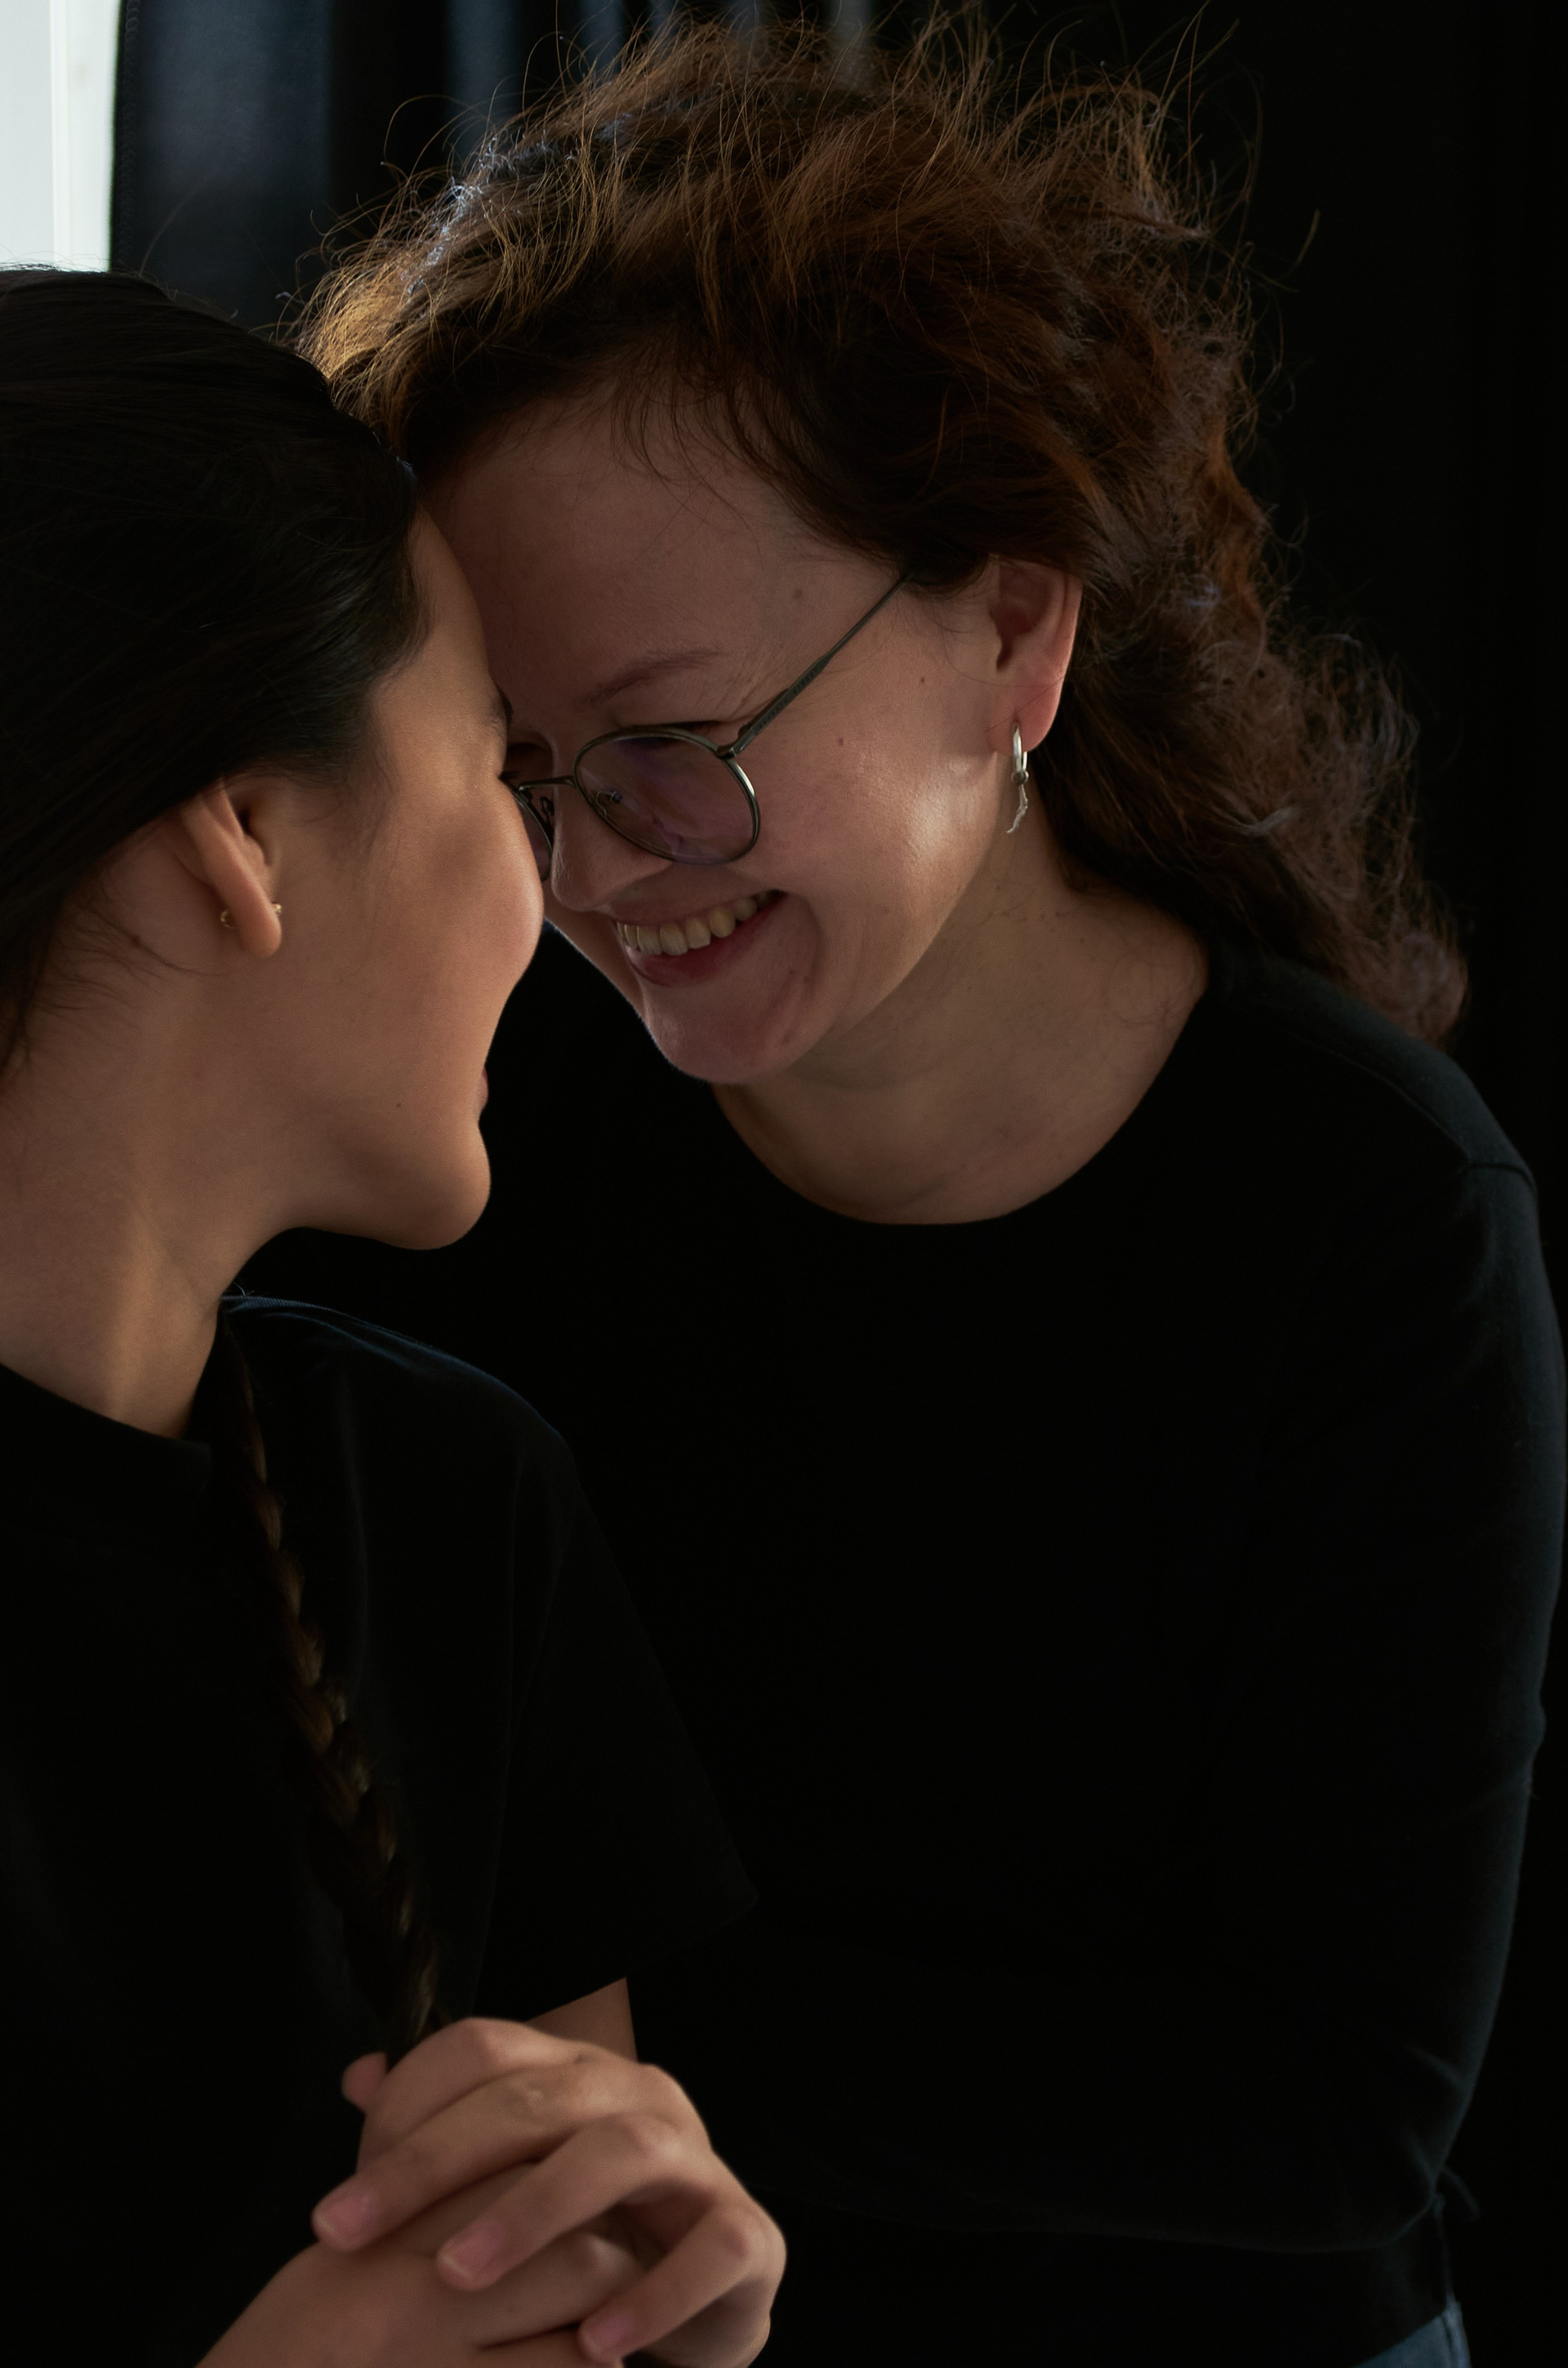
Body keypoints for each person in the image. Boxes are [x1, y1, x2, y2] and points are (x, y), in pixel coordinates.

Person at [249, 27, 1565, 2368]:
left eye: (679, 748)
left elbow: (1334, 2109)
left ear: (1013, 635)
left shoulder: (1370, 1219)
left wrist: (619, 2039)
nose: (594, 875)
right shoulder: (476, 1130)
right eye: (521, 771)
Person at [0, 267, 786, 2368]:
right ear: (249, 833)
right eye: (496, 773)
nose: (565, 894)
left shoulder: (457, 1505)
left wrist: (665, 2314)